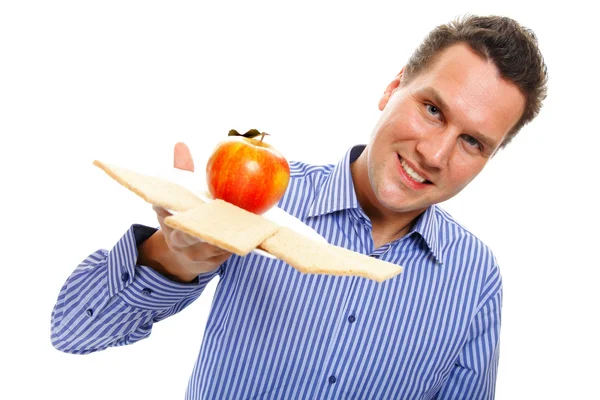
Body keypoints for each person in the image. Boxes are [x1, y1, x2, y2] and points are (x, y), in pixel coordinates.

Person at [51, 14, 548, 399]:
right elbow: (72, 333)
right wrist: (172, 259)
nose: (434, 154)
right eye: (433, 109)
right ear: (393, 88)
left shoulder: (476, 275)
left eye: (473, 143)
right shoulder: (262, 200)